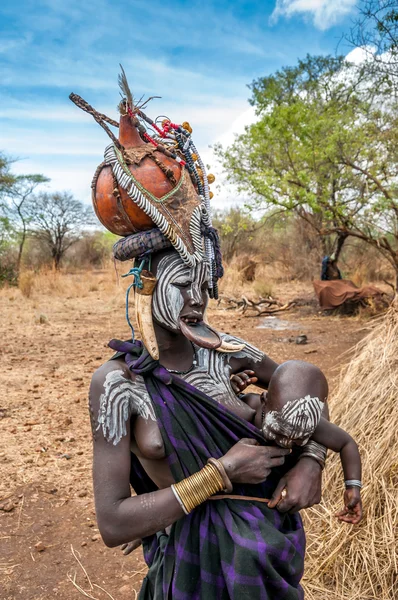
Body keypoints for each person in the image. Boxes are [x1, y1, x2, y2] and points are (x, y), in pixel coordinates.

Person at [78, 72, 329, 599]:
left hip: (264, 559)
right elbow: (113, 523)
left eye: (204, 283)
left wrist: (312, 462)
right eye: (181, 283)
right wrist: (222, 471)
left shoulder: (231, 353)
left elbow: (300, 391)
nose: (197, 299)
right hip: (189, 571)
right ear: (147, 284)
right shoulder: (119, 384)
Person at [231, 363, 362, 525]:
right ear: (264, 400)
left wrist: (353, 487)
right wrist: (230, 391)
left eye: (299, 438)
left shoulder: (305, 421)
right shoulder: (245, 407)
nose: (285, 442)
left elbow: (346, 443)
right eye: (278, 431)